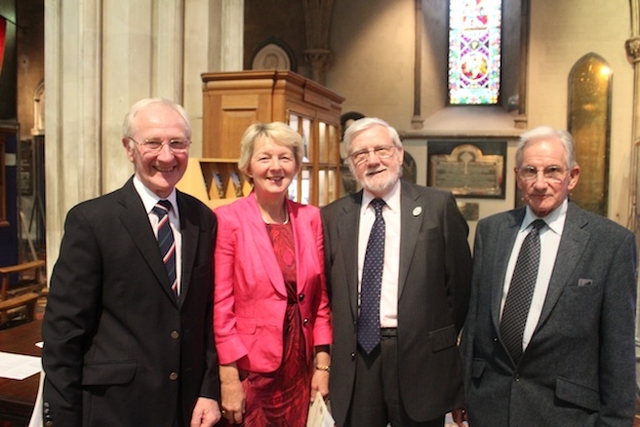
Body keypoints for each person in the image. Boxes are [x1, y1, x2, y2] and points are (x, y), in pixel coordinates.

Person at [41, 98, 221, 427]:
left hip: (187, 409)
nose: (167, 156)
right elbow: (64, 334)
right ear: (129, 148)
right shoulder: (93, 221)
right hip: (116, 409)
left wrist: (210, 390)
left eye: (177, 143)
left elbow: (208, 315)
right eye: (153, 142)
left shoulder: (203, 219)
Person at [461, 126, 637, 426]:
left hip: (565, 413)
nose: (540, 183)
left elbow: (618, 351)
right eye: (530, 171)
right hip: (489, 406)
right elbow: (475, 322)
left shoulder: (609, 242)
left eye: (552, 170)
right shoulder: (492, 232)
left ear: (573, 176)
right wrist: (462, 392)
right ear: (518, 176)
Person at [321, 117, 472, 427]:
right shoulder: (333, 216)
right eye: (360, 154)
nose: (373, 160)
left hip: (421, 360)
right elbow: (329, 290)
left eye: (381, 149)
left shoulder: (437, 207)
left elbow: (459, 289)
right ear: (351, 164)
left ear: (400, 154)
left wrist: (430, 334)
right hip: (358, 359)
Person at [213, 122, 332, 426]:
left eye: (285, 157)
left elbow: (320, 300)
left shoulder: (311, 218)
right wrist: (228, 378)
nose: (275, 167)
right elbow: (220, 305)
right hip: (250, 371)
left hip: (300, 369)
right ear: (248, 166)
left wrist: (322, 365)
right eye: (264, 158)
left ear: (296, 165)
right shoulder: (228, 220)